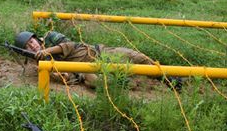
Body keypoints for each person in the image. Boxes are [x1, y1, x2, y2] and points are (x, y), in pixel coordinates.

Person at [14, 31, 182, 90]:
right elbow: (68, 77)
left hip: (100, 53)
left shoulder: (51, 37)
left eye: (32, 42)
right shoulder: (42, 65)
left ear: (36, 38)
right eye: (28, 46)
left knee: (138, 58)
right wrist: (62, 75)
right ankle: (127, 82)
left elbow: (69, 45)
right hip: (86, 70)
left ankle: (167, 78)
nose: (33, 46)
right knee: (95, 82)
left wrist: (46, 52)